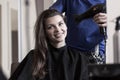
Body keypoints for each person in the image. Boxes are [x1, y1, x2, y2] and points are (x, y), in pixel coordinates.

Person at [9, 9, 89, 80]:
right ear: (44, 32)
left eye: (60, 24)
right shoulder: (34, 56)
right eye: (51, 27)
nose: (58, 29)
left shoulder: (79, 58)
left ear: (66, 26)